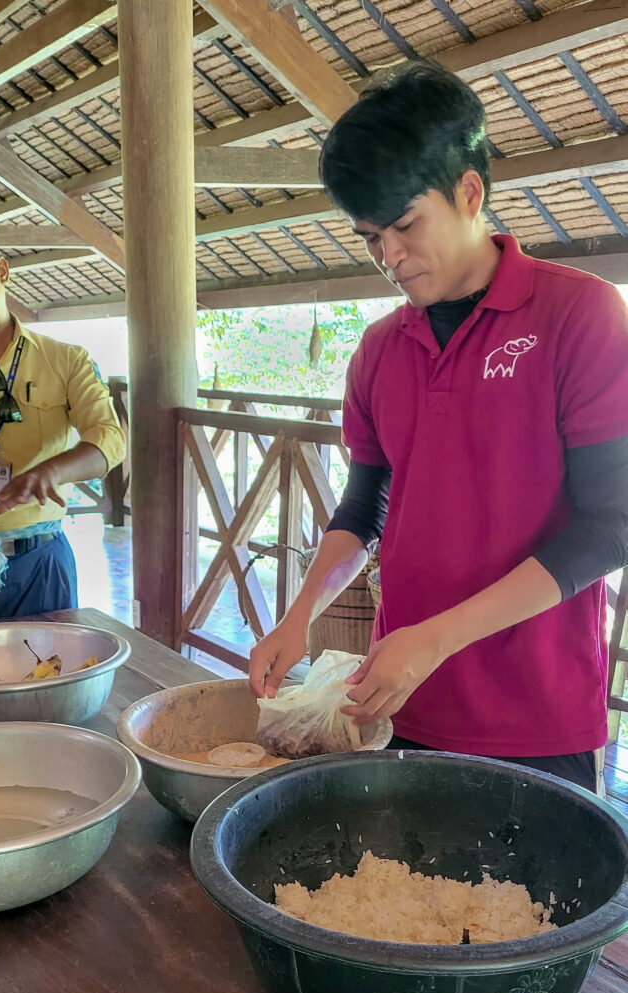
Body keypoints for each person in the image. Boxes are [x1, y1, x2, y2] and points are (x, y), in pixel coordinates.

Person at [249, 59, 628, 793]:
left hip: (534, 715)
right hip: (398, 704)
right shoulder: (380, 349)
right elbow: (366, 507)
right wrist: (298, 616)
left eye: (402, 225)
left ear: (469, 192)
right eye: (368, 237)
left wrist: (434, 637)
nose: (388, 257)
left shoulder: (579, 316)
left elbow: (611, 525)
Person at [0, 238, 126, 618]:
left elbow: (110, 439)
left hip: (41, 561)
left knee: (46, 669)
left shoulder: (66, 360)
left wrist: (52, 471)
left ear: (1, 272)